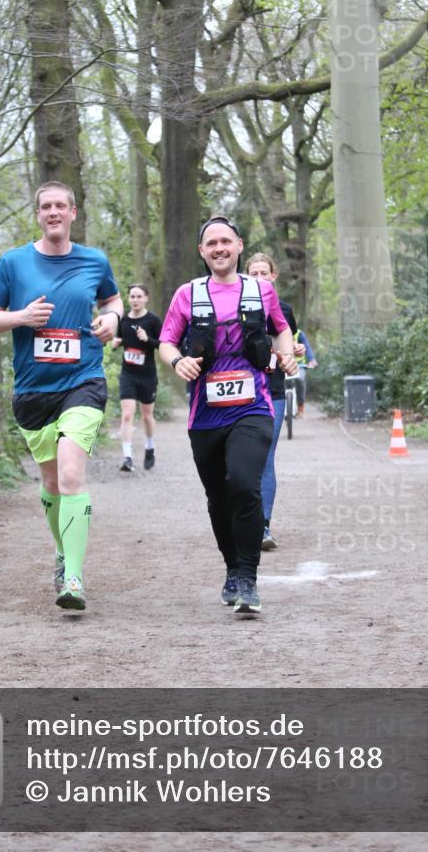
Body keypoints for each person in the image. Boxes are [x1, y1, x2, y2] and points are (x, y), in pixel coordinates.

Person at [0, 181, 123, 612]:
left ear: (73, 213)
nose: (54, 212)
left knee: (72, 474)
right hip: (32, 389)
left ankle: (74, 579)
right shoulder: (13, 264)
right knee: (52, 483)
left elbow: (112, 302)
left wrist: (112, 320)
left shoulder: (94, 261)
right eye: (46, 206)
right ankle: (63, 554)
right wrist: (21, 317)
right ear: (38, 214)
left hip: (83, 381)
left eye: (61, 205)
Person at [159, 216, 297, 616]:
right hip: (205, 413)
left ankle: (249, 578)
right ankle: (232, 569)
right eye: (210, 243)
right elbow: (167, 341)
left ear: (238, 245)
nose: (219, 248)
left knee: (244, 482)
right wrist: (178, 361)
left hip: (253, 405)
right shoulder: (187, 294)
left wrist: (285, 354)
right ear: (201, 252)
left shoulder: (261, 291)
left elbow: (281, 328)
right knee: (218, 497)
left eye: (225, 241)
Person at [246, 252, 298, 552]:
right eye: (254, 273)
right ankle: (242, 518)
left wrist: (293, 352)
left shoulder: (284, 310)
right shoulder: (234, 306)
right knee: (238, 460)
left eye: (264, 273)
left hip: (273, 391)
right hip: (240, 389)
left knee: (265, 457)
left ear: (273, 276)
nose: (260, 278)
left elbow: (289, 342)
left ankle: (263, 524)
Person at [111, 284, 162, 472]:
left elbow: (163, 345)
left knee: (147, 416)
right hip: (128, 374)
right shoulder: (123, 320)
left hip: (147, 375)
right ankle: (127, 457)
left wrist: (147, 339)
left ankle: (150, 447)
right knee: (127, 414)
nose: (135, 300)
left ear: (146, 298)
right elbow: (121, 338)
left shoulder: (153, 321)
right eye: (132, 296)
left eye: (139, 296)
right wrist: (118, 342)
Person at [293, 328, 318, 416]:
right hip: (283, 365)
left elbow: (307, 347)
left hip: (299, 365)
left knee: (301, 380)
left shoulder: (299, 334)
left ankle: (300, 405)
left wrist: (312, 360)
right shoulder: (276, 331)